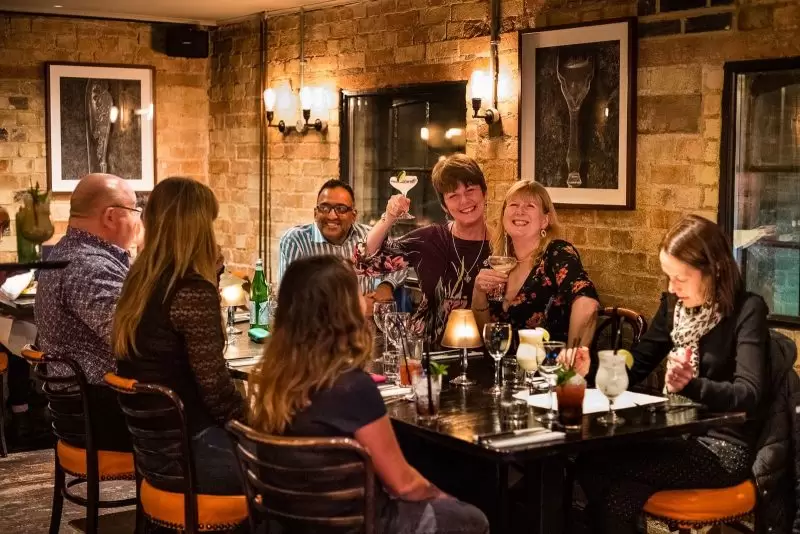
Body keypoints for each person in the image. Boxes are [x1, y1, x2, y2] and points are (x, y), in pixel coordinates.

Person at [248, 255, 489, 533]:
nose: (365, 297)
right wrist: (444, 497)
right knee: (472, 518)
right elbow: (404, 484)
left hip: (292, 521)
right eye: (356, 292)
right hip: (362, 525)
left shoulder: (272, 377)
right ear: (342, 309)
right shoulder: (352, 387)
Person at [577, 215, 770, 533]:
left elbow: (748, 393)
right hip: (675, 434)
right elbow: (638, 363)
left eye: (680, 278)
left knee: (608, 480)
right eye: (668, 277)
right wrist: (593, 367)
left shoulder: (747, 310)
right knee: (595, 469)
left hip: (723, 447)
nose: (671, 287)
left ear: (714, 271)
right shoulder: (675, 307)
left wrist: (692, 385)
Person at [113, 177, 244, 495]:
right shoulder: (190, 290)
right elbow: (218, 396)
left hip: (156, 454)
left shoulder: (140, 280)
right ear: (197, 227)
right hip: (194, 451)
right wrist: (267, 423)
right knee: (299, 470)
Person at [35, 173, 141, 452]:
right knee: (209, 425)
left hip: (79, 407)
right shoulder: (91, 266)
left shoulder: (63, 252)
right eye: (134, 211)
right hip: (100, 411)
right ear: (110, 216)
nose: (137, 222)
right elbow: (132, 340)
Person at [359, 154, 491, 345]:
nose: (464, 201)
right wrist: (389, 217)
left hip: (489, 354)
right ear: (444, 206)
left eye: (470, 190)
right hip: (427, 354)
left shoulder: (504, 246)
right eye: (453, 195)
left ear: (484, 192)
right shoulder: (431, 238)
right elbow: (367, 261)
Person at [471, 180, 599, 345]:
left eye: (530, 206)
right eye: (514, 204)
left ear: (545, 221)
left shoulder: (557, 254)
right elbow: (489, 339)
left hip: (550, 367)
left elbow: (588, 305)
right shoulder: (498, 262)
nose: (520, 211)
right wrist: (478, 293)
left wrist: (571, 360)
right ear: (503, 215)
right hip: (504, 367)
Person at [278, 179, 404, 313]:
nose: (332, 216)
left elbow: (400, 261)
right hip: (315, 330)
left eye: (341, 209)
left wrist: (386, 285)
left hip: (362, 329)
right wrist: (355, 308)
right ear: (315, 213)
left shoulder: (369, 236)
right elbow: (291, 299)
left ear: (353, 215)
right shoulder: (296, 241)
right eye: (325, 208)